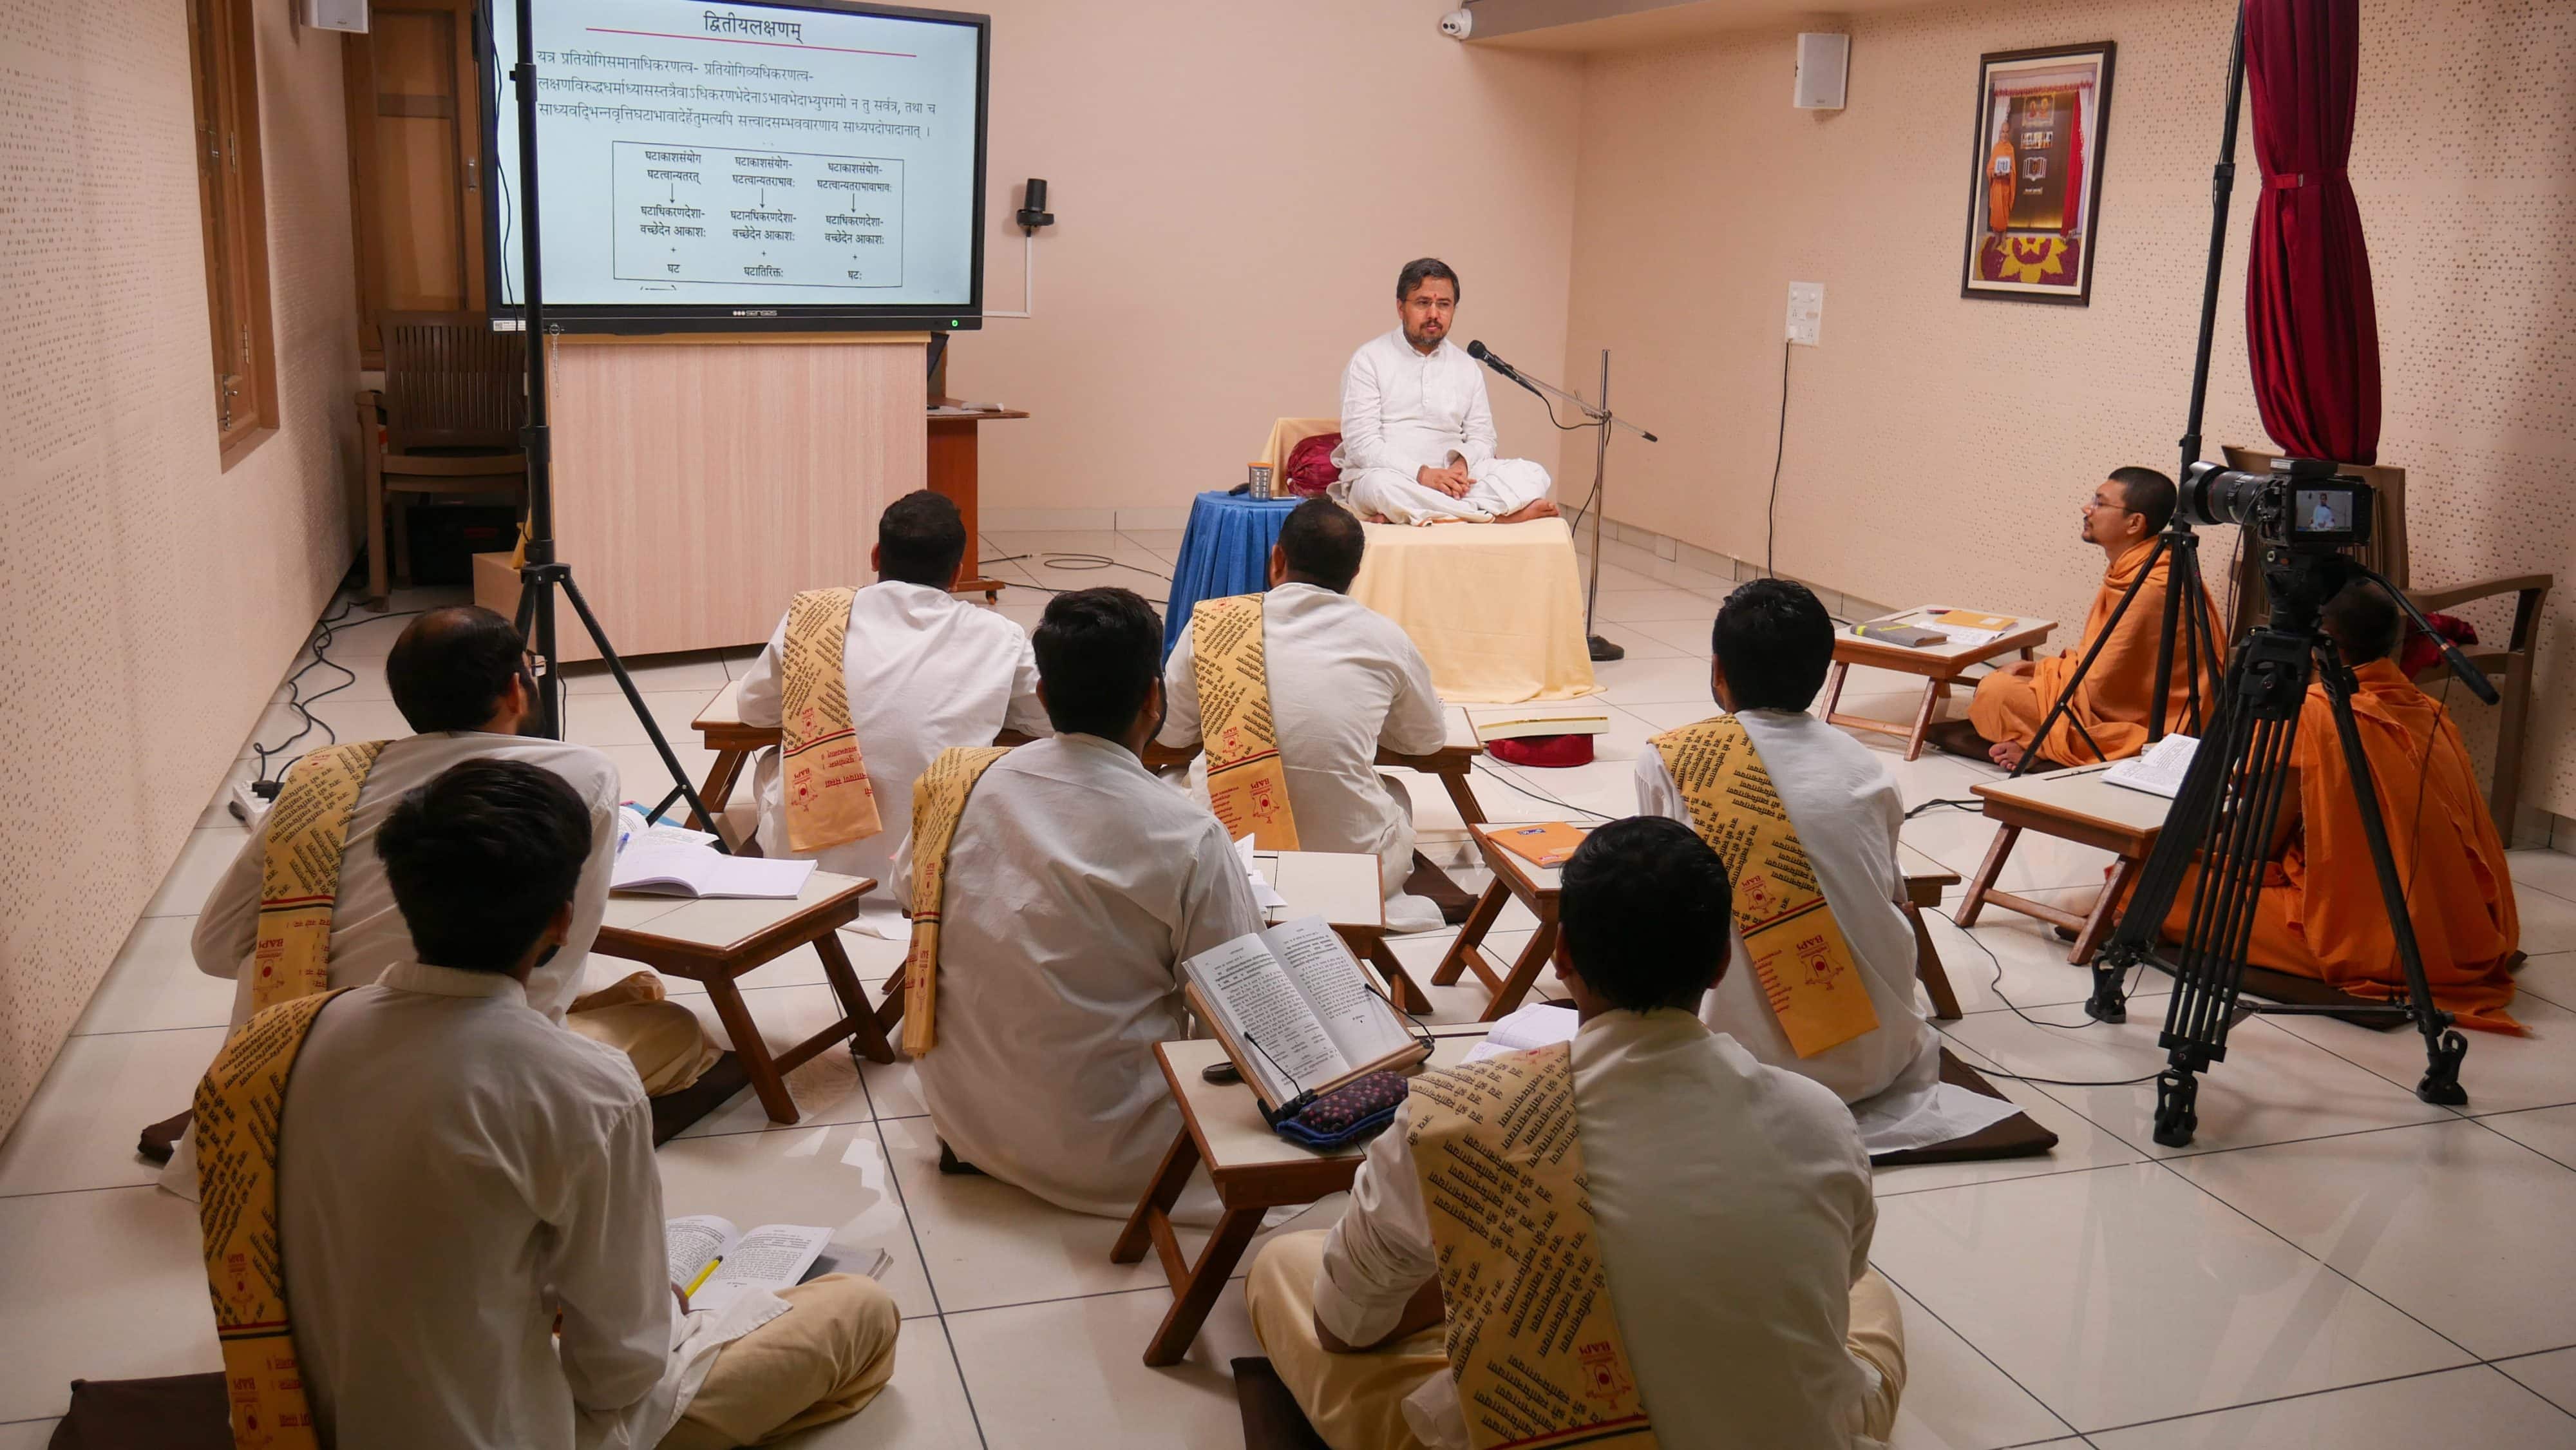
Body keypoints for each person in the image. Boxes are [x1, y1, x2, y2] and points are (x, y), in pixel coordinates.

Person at [192, 759, 899, 1450]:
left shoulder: (278, 1043)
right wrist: (659, 1310)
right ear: (563, 919)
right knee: (859, 1311)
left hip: (292, 1418)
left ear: (403, 893)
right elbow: (618, 1374)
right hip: (498, 1430)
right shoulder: (583, 1086)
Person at [1243, 817, 1905, 1449]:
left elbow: (1344, 1328)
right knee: (1869, 1296)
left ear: (1561, 954)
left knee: (1285, 1267)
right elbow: (1836, 1277)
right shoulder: (1821, 1119)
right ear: (1720, 962)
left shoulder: (1449, 1117)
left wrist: (1490, 1279)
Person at [158, 607, 714, 1196]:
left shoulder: (321, 781)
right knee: (676, 1029)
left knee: (627, 990)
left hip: (285, 1085)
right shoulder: (577, 775)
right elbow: (552, 972)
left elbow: (214, 947)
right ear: (514, 689)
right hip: (458, 1082)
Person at [895, 587, 1266, 1217]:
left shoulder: (962, 785)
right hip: (1116, 1152)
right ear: (1153, 698)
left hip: (970, 1122)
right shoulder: (1188, 833)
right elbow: (1237, 1008)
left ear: (1043, 695)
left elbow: (911, 893)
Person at [1635, 580, 2020, 1153]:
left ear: (1718, 670)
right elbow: (1893, 896)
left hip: (1739, 1069)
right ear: (1822, 672)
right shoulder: (1866, 764)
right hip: (1875, 1060)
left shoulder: (1671, 757)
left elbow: (1655, 902)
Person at [2160, 580, 2522, 1029]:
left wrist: (2196, 838)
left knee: (2153, 886)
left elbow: (2253, 845)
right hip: (2463, 932)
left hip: (2385, 944)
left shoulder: (2313, 714)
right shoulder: (2427, 707)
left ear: (2318, 642)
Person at [735, 490, 1047, 910]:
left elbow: (753, 710)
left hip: (809, 875)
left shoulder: (812, 616)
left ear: (876, 555)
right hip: (932, 873)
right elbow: (1047, 719)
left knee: (773, 761)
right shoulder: (999, 635)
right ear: (957, 573)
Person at [1159, 497, 1449, 931]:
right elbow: (1426, 741)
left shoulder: (1215, 624)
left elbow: (1172, 734)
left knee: (1170, 780)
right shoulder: (1387, 638)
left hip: (1225, 860)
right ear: (1354, 573)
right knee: (1397, 793)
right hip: (1349, 865)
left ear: (1277, 559)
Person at [1936, 467, 2225, 769]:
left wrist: (2045, 672)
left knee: (1996, 692)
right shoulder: (2135, 566)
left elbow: (2103, 689)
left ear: (2134, 523)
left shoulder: (2153, 586)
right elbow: (2104, 665)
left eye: (2100, 503)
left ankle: (2047, 746)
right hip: (2111, 700)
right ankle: (2042, 741)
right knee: (2003, 684)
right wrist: (2039, 670)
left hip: (2138, 719)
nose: (2087, 509)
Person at [1327, 258, 1560, 526]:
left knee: (1533, 473)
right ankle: (1492, 517)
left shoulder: (1467, 366)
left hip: (1454, 481)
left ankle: (1426, 513)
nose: (1434, 314)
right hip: (1392, 474)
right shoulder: (1369, 359)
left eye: (1444, 305)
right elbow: (1362, 444)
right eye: (1423, 303)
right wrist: (1423, 474)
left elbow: (1484, 438)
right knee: (1380, 487)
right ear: (1401, 307)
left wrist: (1461, 466)